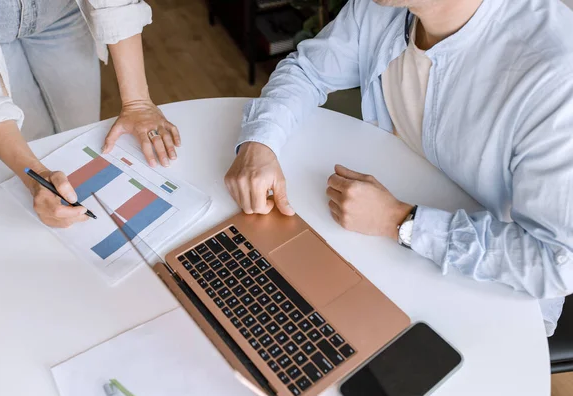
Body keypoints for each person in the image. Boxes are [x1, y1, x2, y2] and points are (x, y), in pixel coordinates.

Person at [224, 0, 573, 336]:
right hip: (382, 235)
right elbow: (309, 70)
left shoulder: (555, 75)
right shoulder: (386, 7)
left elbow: (555, 261)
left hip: (492, 289)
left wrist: (401, 221)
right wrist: (260, 141)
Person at [0, 0, 180, 228]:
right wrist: (36, 176)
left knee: (82, 137)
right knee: (34, 145)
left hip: (61, 12)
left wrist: (138, 103)